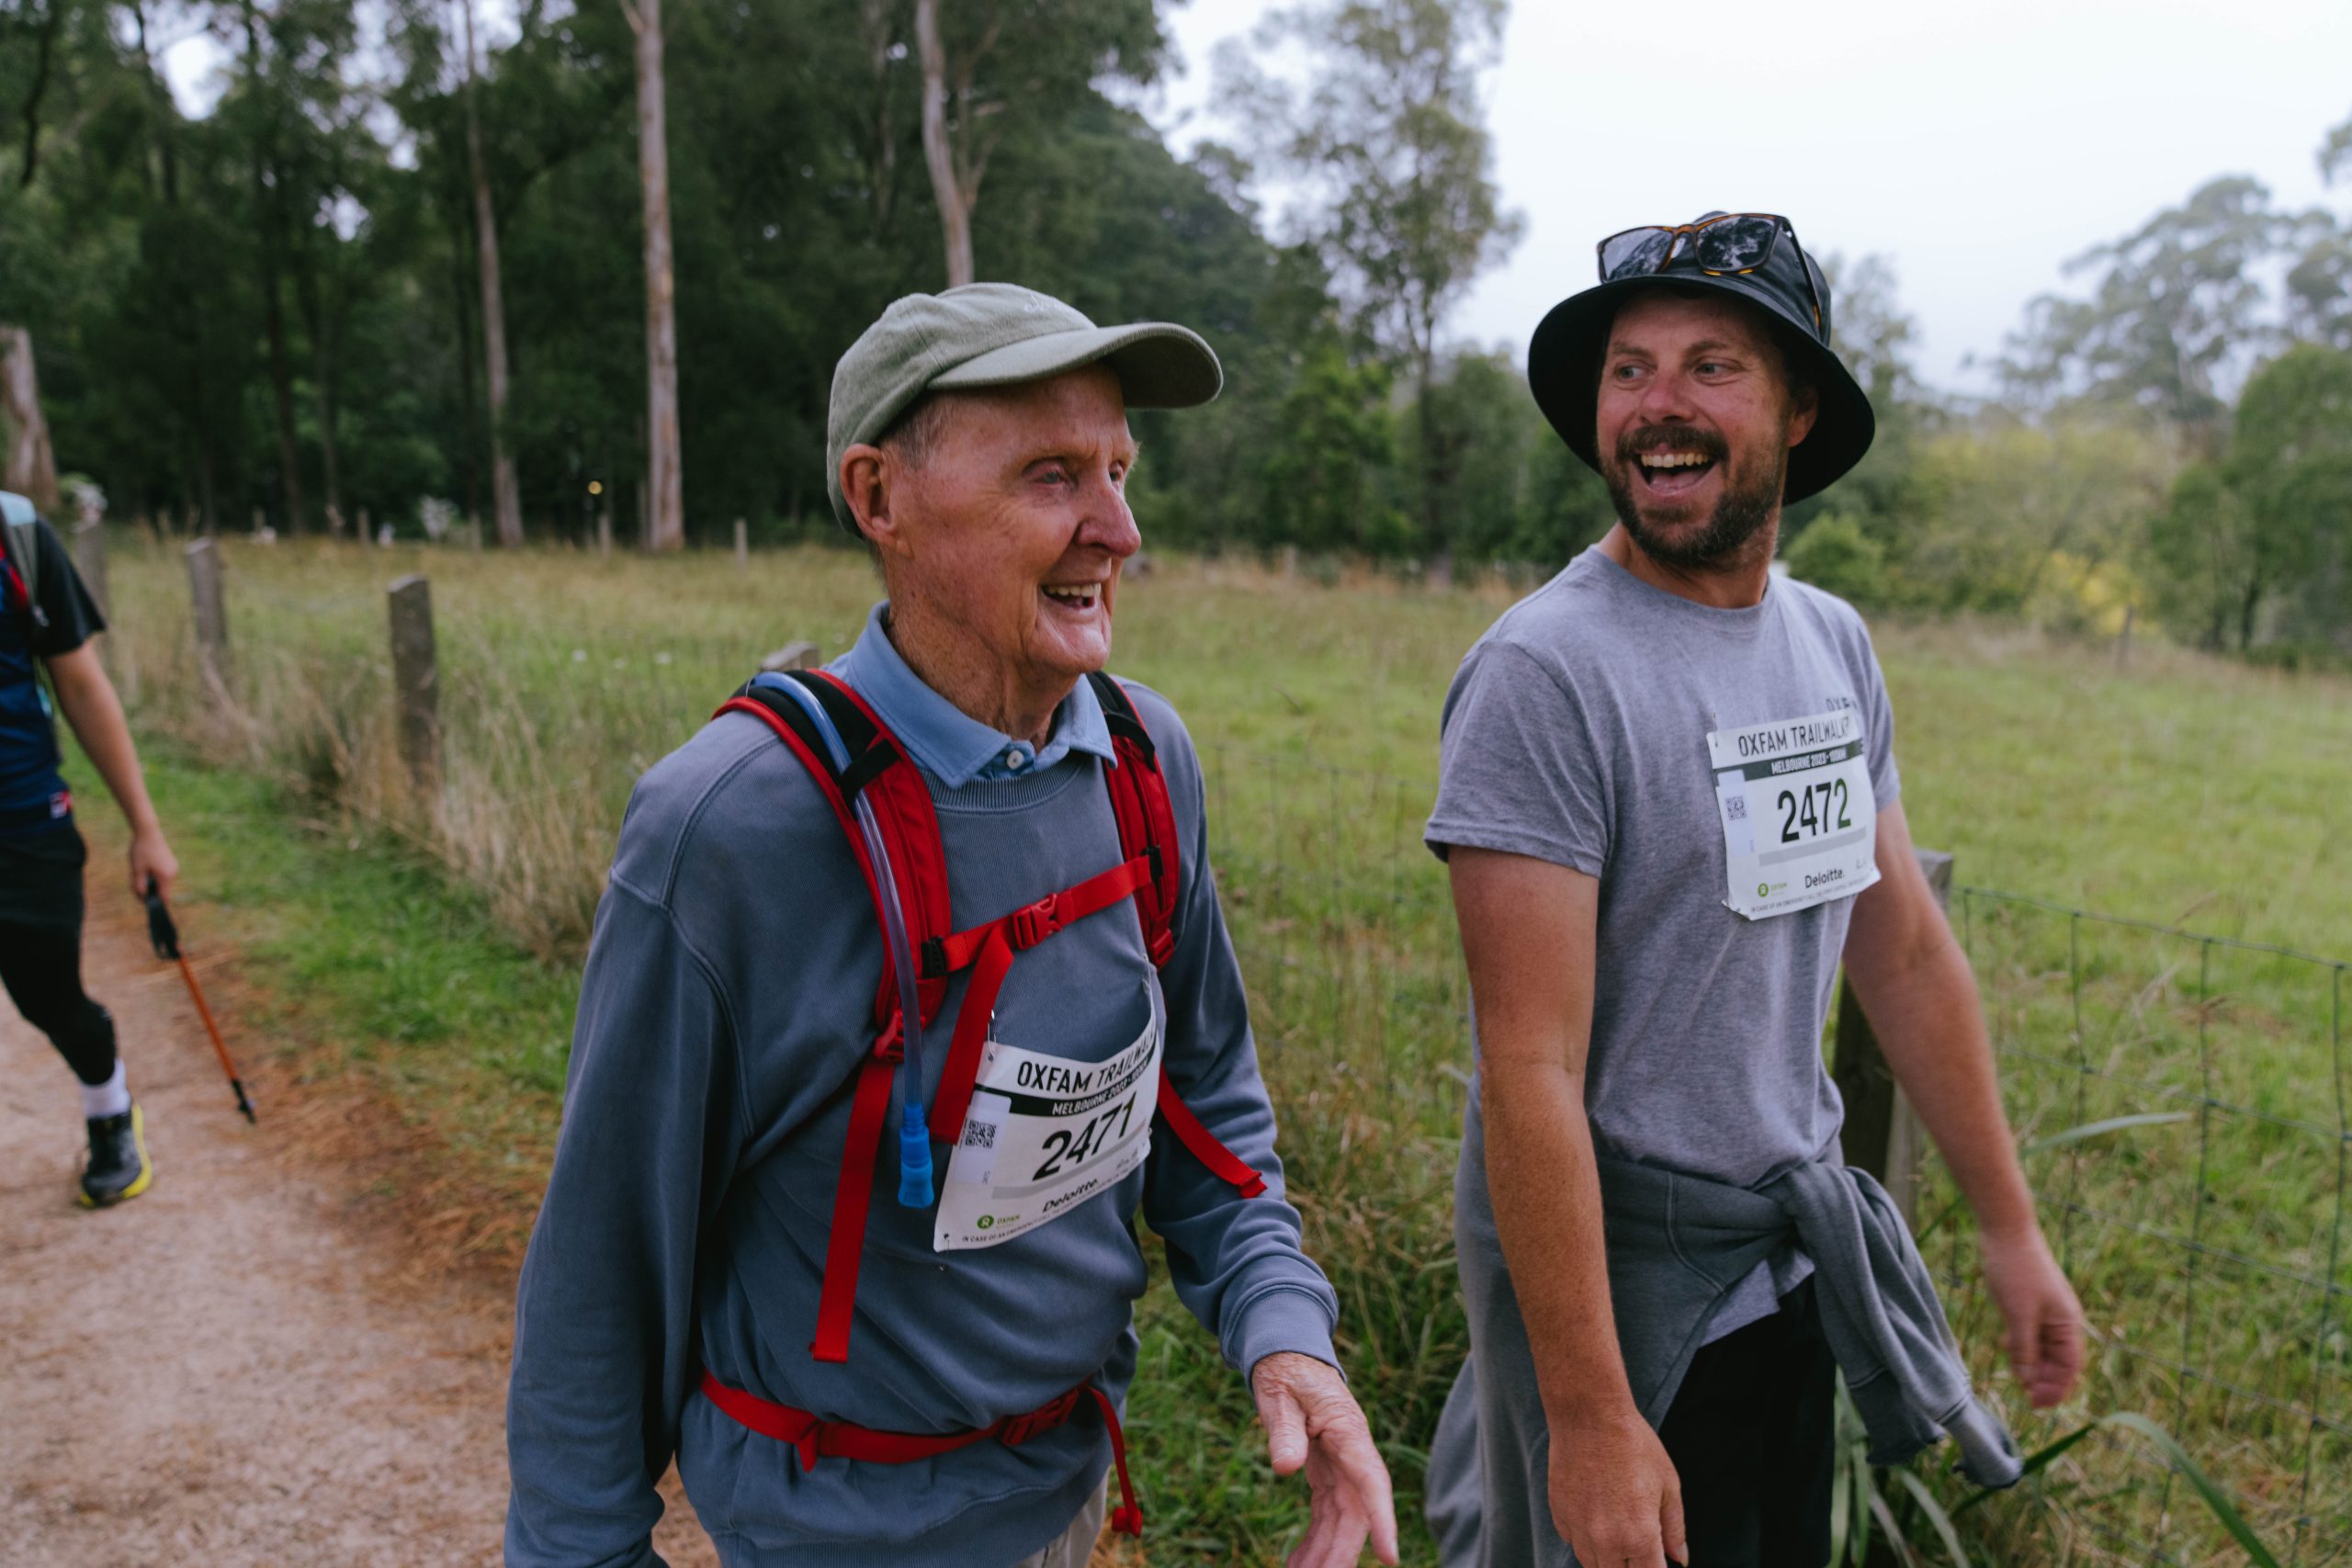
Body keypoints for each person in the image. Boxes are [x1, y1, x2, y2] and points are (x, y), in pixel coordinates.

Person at [505, 284, 1398, 1568]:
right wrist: (580, 1548)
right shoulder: (729, 828)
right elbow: (606, 1248)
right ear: (881, 500)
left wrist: (1285, 1327)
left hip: (1069, 1485)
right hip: (832, 1532)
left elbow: (1205, 1109)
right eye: (1051, 476)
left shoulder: (1146, 762)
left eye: (1118, 469)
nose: (1120, 528)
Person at [1419, 215, 2086, 1568]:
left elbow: (1899, 951)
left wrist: (2010, 1229)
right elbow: (1527, 1067)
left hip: (1787, 1276)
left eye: (1711, 364)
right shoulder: (1545, 674)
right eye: (1628, 368)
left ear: (1799, 410)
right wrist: (1592, 1414)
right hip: (1619, 1304)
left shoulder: (1828, 641)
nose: (1657, 404)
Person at [0, 491, 179, 1206]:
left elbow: (78, 680)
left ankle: (109, 1107)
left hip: (21, 817)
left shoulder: (16, 534)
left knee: (48, 996)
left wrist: (146, 826)